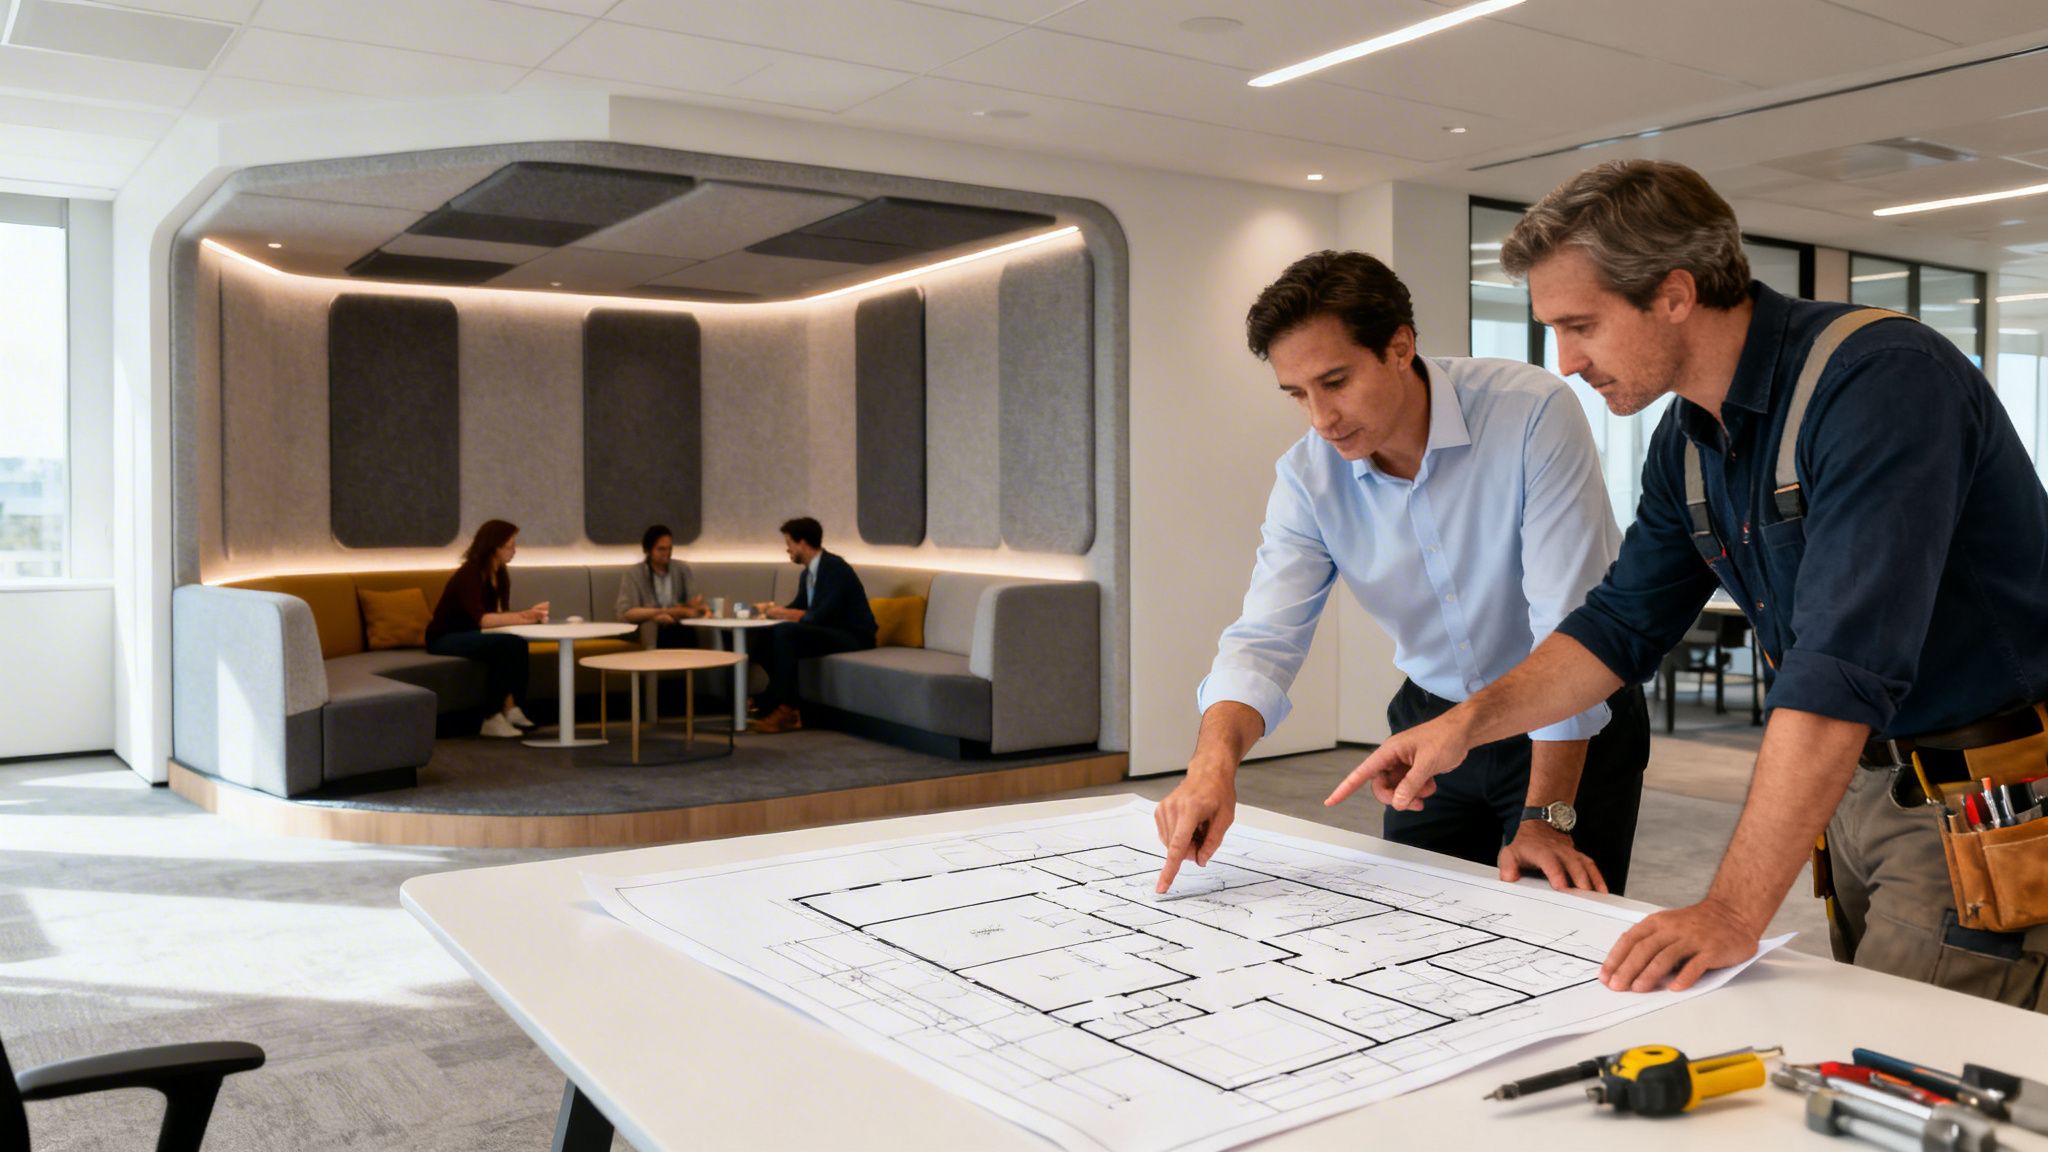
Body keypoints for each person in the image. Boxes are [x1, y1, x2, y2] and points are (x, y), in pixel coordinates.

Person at [1339, 160, 2048, 1009]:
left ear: (1674, 294)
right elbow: (1620, 624)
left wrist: (1730, 910)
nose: (1566, 362)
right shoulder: (1690, 438)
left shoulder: (1883, 379)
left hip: (1984, 795)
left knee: (1913, 1068)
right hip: (1860, 796)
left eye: (1582, 326)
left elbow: (1841, 667)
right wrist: (1465, 725)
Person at [1154, 250, 1650, 899]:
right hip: (1429, 727)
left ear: (1398, 346)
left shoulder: (1530, 414)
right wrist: (1211, 767)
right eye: (1297, 394)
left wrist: (1544, 815)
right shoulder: (1308, 478)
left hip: (1568, 720)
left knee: (1557, 933)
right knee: (1412, 922)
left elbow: (1567, 620)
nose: (1320, 418)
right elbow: (1264, 639)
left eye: (1335, 382)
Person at [746, 516, 876, 734]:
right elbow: (798, 608)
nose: (787, 550)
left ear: (803, 543)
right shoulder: (808, 573)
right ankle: (774, 699)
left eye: (789, 544)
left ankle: (788, 710)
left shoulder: (835, 568)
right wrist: (769, 612)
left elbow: (820, 615)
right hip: (828, 631)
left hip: (853, 635)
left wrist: (781, 613)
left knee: (785, 633)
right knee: (764, 634)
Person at [426, 519, 551, 739]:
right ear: (494, 547)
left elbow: (500, 615)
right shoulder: (470, 574)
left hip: (473, 634)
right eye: (510, 545)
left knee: (518, 643)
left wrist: (528, 616)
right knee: (507, 644)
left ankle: (512, 708)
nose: (514, 550)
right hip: (445, 637)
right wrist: (524, 617)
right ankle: (491, 717)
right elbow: (482, 619)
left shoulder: (500, 574)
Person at [615, 523, 708, 649]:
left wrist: (696, 606)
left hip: (681, 624)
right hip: (653, 628)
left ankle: (691, 667)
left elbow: (693, 603)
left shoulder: (682, 569)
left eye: (669, 548)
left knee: (685, 630)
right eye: (661, 549)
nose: (667, 553)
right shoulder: (634, 574)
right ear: (648, 550)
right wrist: (660, 613)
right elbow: (625, 613)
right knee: (659, 629)